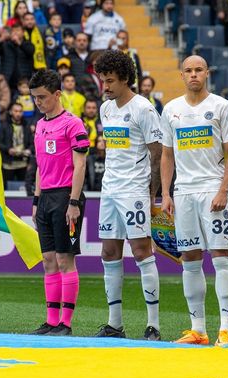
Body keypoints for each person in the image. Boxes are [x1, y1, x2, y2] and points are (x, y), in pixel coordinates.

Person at [159, 55, 228, 346]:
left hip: (211, 191)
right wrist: (166, 193)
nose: (193, 75)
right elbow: (167, 154)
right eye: (188, 71)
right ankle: (199, 330)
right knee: (190, 260)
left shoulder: (221, 106)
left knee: (220, 256)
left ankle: (226, 328)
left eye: (198, 70)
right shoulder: (171, 109)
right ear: (182, 75)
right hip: (183, 193)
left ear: (207, 73)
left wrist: (224, 191)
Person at [93, 50, 163, 341]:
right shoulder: (105, 108)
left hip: (134, 189)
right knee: (109, 252)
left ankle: (153, 325)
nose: (105, 87)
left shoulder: (143, 109)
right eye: (102, 81)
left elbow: (157, 155)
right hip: (109, 189)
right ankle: (115, 324)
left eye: (110, 81)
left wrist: (152, 195)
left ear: (125, 79)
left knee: (141, 252)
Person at [28, 69, 89, 336]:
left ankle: (66, 322)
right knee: (48, 260)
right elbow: (40, 165)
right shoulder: (40, 125)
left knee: (65, 260)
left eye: (42, 97)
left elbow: (80, 164)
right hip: (46, 199)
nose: (38, 102)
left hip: (66, 197)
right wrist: (36, 199)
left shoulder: (73, 124)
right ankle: (51, 320)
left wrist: (74, 202)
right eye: (34, 98)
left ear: (57, 94)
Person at [0, 102, 33, 186]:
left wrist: (29, 150)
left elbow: (32, 143)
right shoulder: (4, 125)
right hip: (8, 164)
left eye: (20, 111)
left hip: (23, 163)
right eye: (16, 111)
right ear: (10, 112)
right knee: (6, 190)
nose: (18, 114)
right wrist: (8, 149)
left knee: (23, 189)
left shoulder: (26, 126)